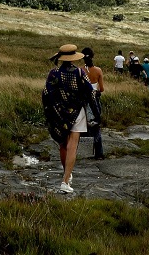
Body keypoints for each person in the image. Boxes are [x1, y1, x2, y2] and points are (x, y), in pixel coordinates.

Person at [42, 44, 102, 193]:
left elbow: (46, 94)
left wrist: (50, 112)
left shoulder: (53, 73)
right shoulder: (79, 73)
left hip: (59, 113)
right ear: (73, 57)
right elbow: (91, 94)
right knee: (73, 146)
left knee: (63, 144)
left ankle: (66, 175)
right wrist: (97, 113)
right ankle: (65, 180)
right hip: (77, 113)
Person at [81, 47, 104, 160]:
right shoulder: (98, 70)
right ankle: (99, 153)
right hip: (95, 98)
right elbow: (102, 89)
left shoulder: (80, 70)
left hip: (83, 100)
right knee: (96, 126)